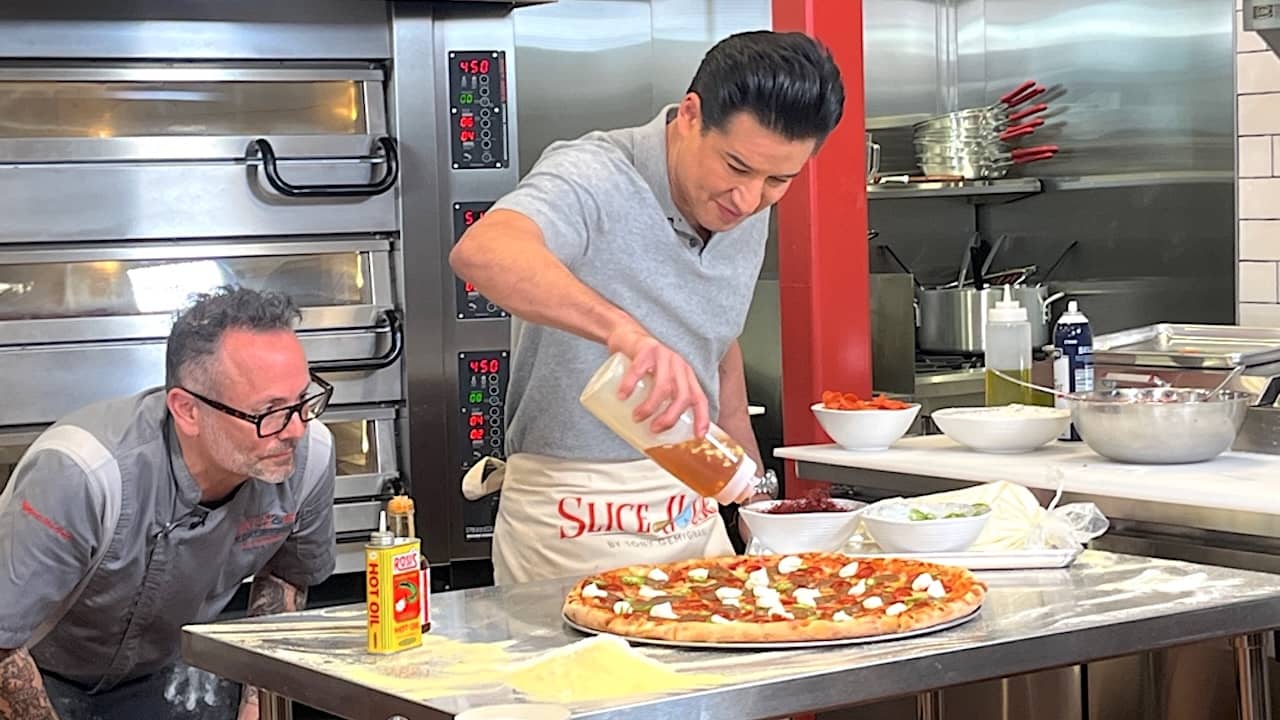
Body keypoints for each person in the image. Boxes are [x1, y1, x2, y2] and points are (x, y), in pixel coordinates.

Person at [450, 30, 845, 584]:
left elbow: (716, 344)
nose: (749, 200)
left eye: (779, 180)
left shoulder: (745, 204)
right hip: (572, 515)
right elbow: (483, 251)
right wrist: (625, 333)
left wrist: (755, 494)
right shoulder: (593, 172)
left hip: (694, 505)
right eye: (736, 167)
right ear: (690, 115)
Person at [0, 286, 337, 720]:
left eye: (303, 400)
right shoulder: (83, 475)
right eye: (269, 411)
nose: (295, 430)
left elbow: (286, 577)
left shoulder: (310, 459)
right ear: (187, 410)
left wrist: (258, 707)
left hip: (168, 671)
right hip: (39, 674)